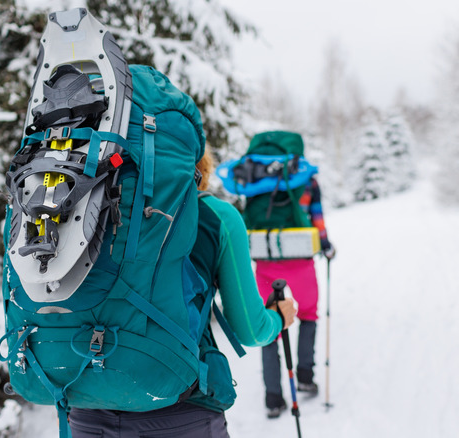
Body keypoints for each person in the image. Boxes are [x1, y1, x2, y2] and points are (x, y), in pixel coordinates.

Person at [68, 151, 298, 437]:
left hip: (87, 408)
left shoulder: (81, 207)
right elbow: (251, 331)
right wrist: (278, 317)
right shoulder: (216, 215)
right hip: (183, 409)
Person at [255, 175, 335, 418]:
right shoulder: (308, 181)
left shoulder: (256, 176)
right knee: (308, 314)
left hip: (266, 259)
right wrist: (326, 245)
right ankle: (305, 378)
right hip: (300, 260)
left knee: (269, 326)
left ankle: (273, 398)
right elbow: (317, 217)